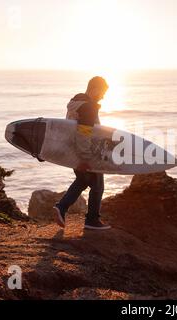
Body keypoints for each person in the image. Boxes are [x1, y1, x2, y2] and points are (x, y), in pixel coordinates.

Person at [53, 76, 111, 230]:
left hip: (72, 151)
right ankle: (91, 220)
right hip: (84, 153)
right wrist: (85, 157)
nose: (103, 97)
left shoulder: (76, 104)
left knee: (83, 181)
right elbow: (83, 134)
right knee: (98, 185)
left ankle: (62, 207)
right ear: (95, 89)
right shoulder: (88, 107)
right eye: (102, 93)